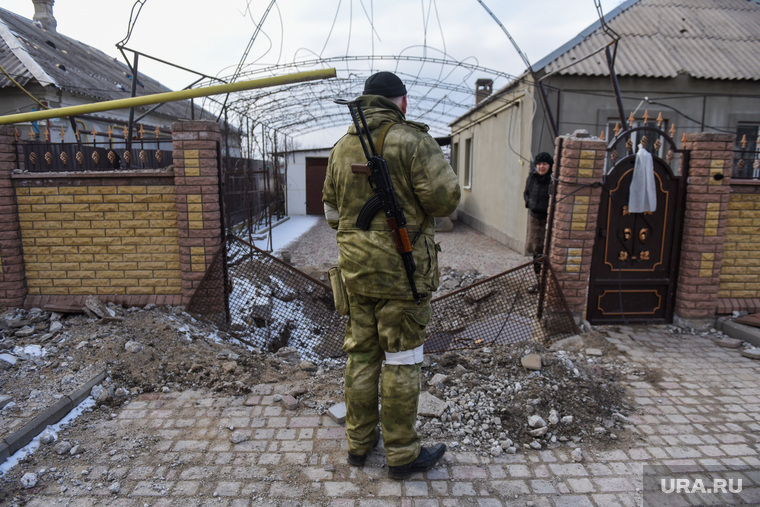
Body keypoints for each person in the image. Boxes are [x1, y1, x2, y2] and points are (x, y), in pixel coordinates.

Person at [323, 71, 460, 480]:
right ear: (402, 102)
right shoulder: (415, 142)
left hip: (356, 271)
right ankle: (401, 454)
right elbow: (445, 201)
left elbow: (331, 214)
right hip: (403, 274)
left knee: (361, 355)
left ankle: (359, 444)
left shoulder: (339, 148)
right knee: (401, 360)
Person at [523, 151, 553, 291]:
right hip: (534, 218)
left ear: (549, 165)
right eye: (539, 164)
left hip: (547, 219)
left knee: (546, 250)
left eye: (545, 164)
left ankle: (547, 283)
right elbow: (526, 193)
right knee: (536, 250)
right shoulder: (532, 177)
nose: (542, 167)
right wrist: (529, 204)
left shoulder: (553, 180)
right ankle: (538, 282)